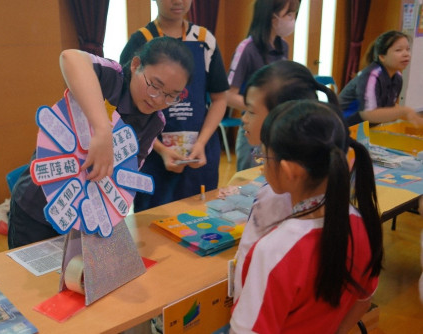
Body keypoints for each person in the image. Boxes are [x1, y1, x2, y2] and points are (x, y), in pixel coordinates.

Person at [8, 37, 194, 249]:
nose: (158, 99)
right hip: (37, 208)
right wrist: (103, 130)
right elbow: (70, 58)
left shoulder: (155, 122)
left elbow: (125, 178)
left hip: (83, 218)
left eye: (171, 95)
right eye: (154, 85)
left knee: (73, 279)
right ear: (135, 65)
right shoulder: (111, 78)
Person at [230, 100, 383, 333]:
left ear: (291, 171)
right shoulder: (362, 223)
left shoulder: (273, 251)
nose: (261, 163)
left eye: (264, 155)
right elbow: (364, 298)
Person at [119, 0, 229, 212]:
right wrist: (158, 148)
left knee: (201, 218)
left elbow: (219, 99)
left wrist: (201, 142)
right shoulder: (141, 40)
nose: (178, 1)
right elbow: (125, 105)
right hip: (151, 156)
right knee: (153, 223)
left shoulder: (206, 40)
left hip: (199, 154)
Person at [227, 0, 300, 171]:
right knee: (250, 184)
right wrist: (261, 108)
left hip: (277, 129)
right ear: (271, 16)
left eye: (293, 14)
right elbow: (228, 95)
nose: (292, 19)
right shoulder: (247, 48)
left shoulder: (284, 46)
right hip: (253, 131)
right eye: (287, 14)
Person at [339, 30, 423, 127]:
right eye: (398, 50)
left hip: (364, 130)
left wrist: (413, 117)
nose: (406, 54)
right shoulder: (371, 76)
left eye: (408, 49)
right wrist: (404, 111)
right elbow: (369, 114)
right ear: (382, 57)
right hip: (341, 128)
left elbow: (388, 107)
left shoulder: (397, 77)